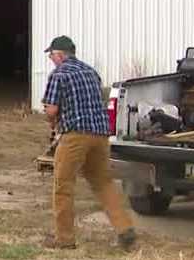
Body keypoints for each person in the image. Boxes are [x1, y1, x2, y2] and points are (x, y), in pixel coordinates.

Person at [41, 35, 136, 250]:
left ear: (60, 55)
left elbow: (52, 109)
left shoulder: (59, 74)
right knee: (103, 182)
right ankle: (124, 228)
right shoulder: (91, 71)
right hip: (100, 135)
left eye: (51, 55)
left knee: (63, 185)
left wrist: (51, 121)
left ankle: (64, 239)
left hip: (75, 135)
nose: (51, 60)